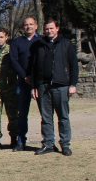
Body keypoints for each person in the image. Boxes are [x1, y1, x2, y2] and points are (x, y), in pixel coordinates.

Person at [30, 19, 79, 156]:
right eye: (46, 29)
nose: (49, 31)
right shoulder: (38, 45)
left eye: (51, 28)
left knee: (63, 117)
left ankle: (65, 144)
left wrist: (73, 84)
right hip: (43, 86)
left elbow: (74, 66)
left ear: (57, 28)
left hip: (61, 86)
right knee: (46, 118)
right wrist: (34, 86)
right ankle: (48, 144)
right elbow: (33, 67)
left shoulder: (66, 44)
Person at [9, 17, 40, 151]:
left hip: (39, 82)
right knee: (22, 114)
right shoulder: (17, 42)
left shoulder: (41, 40)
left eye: (31, 24)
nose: (28, 27)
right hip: (22, 83)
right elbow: (14, 61)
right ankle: (21, 141)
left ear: (36, 26)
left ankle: (48, 141)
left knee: (45, 113)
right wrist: (25, 76)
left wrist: (35, 78)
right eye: (26, 25)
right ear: (23, 27)